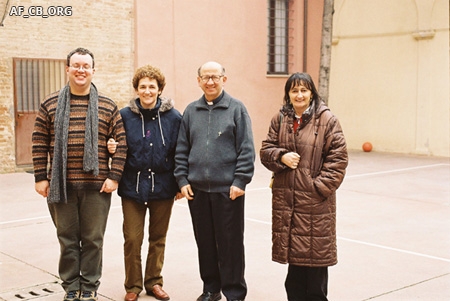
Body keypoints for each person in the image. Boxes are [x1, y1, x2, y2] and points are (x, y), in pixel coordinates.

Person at [32, 47, 127, 301]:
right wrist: (41, 177)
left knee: (93, 240)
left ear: (93, 71)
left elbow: (121, 143)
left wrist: (114, 176)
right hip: (60, 186)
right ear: (68, 69)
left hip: (96, 187)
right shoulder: (50, 104)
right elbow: (39, 141)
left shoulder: (107, 105)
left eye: (86, 66)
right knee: (67, 240)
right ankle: (71, 287)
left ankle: (90, 287)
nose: (81, 70)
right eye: (76, 65)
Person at [260, 72, 348, 301]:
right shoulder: (280, 119)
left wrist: (316, 188)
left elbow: (338, 160)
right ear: (288, 94)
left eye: (304, 90)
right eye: (294, 90)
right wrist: (281, 157)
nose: (299, 95)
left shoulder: (328, 120)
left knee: (316, 271)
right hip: (288, 205)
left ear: (311, 93)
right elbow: (266, 150)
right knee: (295, 275)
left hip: (315, 206)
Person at [174, 61, 255, 301]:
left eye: (215, 77)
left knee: (230, 245)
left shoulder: (236, 109)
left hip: (228, 190)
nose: (210, 81)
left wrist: (240, 181)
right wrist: (182, 179)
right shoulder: (190, 111)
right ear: (198, 80)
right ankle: (211, 288)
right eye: (205, 77)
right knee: (205, 243)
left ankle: (234, 292)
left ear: (224, 79)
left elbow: (246, 149)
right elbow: (181, 148)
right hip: (197, 190)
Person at [109, 65, 182, 301]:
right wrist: (111, 148)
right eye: (143, 87)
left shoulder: (174, 117)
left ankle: (154, 282)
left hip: (163, 186)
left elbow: (181, 151)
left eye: (152, 86)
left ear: (160, 89)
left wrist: (181, 182)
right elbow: (115, 144)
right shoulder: (123, 116)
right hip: (132, 186)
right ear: (136, 89)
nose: (147, 91)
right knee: (132, 238)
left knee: (158, 238)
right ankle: (133, 285)